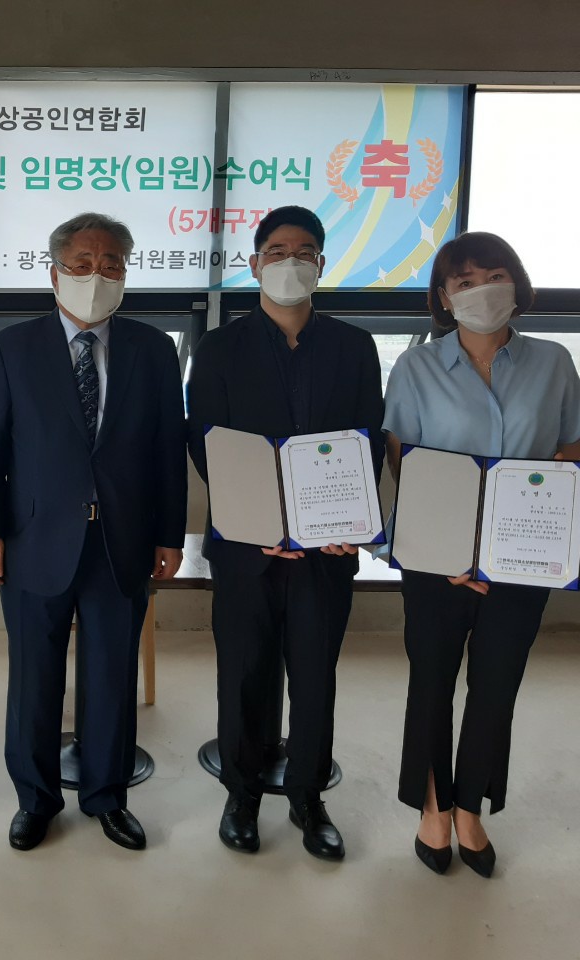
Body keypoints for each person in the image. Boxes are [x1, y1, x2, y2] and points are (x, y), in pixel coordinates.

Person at [0, 212, 186, 851]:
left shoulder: (153, 349)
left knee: (111, 676)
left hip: (123, 541)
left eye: (112, 264)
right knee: (34, 678)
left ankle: (107, 797)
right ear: (54, 273)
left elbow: (167, 450)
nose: (97, 275)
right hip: (34, 540)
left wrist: (170, 534)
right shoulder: (12, 347)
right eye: (83, 263)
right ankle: (35, 800)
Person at [186, 205, 383, 862]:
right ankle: (241, 795)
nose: (289, 262)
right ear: (254, 264)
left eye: (303, 252)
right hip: (247, 547)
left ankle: (308, 797)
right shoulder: (220, 348)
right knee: (244, 673)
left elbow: (366, 440)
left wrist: (348, 521)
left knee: (316, 676)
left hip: (326, 550)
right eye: (276, 251)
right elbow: (206, 442)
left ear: (321, 264)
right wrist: (255, 519)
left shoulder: (354, 347)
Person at [384, 231, 580, 878]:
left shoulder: (554, 362)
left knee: (497, 684)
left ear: (516, 285)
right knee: (432, 681)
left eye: (493, 276)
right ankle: (433, 806)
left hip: (522, 559)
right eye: (463, 282)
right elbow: (405, 464)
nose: (480, 291)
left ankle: (471, 806)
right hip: (436, 558)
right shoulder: (415, 368)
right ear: (444, 298)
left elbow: (571, 446)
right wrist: (449, 548)